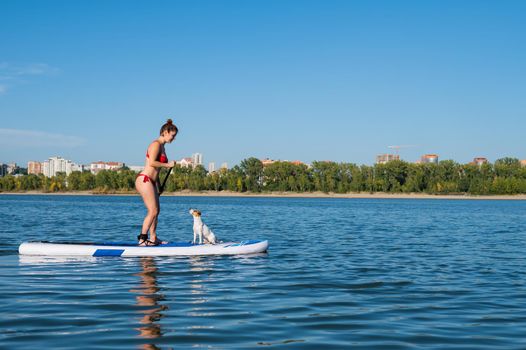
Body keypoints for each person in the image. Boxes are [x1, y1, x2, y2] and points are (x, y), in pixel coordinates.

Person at [135, 119, 178, 246]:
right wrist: (167, 164)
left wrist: (158, 186)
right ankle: (142, 239)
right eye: (172, 135)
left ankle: (153, 237)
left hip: (152, 182)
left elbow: (156, 170)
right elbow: (152, 163)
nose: (173, 139)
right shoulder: (155, 144)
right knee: (152, 210)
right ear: (165, 132)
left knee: (156, 211)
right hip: (144, 180)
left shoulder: (163, 147)